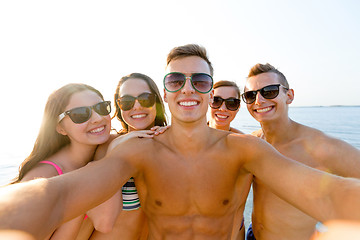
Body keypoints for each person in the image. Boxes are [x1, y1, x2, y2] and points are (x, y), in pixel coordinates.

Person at [2, 44, 360, 239]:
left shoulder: (246, 148)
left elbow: (324, 192)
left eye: (201, 82)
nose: (188, 89)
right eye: (176, 81)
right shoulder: (137, 148)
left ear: (210, 90)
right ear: (167, 93)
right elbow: (58, 194)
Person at [242, 63, 360, 240]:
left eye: (269, 91)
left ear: (289, 96)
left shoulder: (320, 146)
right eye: (251, 95)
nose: (259, 100)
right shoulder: (253, 142)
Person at [10, 83, 112, 239]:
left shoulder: (103, 154)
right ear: (60, 128)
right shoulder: (44, 176)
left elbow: (104, 221)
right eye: (80, 114)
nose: (97, 119)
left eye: (101, 108)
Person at [87, 73, 167, 239]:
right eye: (127, 101)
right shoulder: (107, 145)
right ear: (119, 105)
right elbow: (102, 220)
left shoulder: (170, 144)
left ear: (157, 102)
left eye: (145, 99)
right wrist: (115, 149)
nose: (136, 106)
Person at [208, 80, 245, 239]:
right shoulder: (185, 139)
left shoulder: (245, 145)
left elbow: (239, 206)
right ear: (208, 100)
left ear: (238, 107)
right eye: (216, 101)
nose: (223, 108)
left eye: (231, 103)